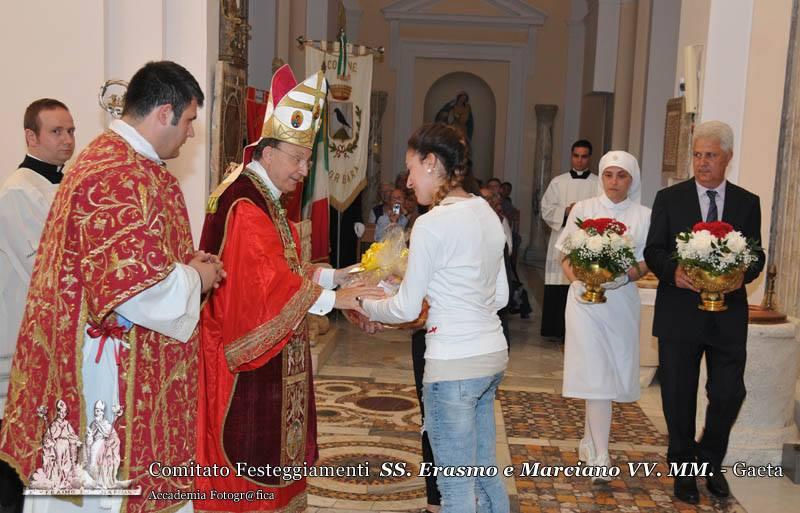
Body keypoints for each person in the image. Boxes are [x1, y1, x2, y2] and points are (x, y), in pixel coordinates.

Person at [0, 60, 223, 513]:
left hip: (124, 353)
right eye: (190, 120)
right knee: (101, 494)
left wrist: (183, 266)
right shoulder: (115, 172)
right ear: (164, 112)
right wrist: (196, 278)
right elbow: (133, 287)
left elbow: (139, 259)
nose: (192, 134)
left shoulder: (126, 162)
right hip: (106, 373)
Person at [196, 64, 383, 513]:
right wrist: (335, 300)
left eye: (306, 159)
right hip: (248, 360)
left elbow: (285, 269)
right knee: (251, 463)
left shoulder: (264, 196)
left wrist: (336, 276)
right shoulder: (245, 202)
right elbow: (264, 287)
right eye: (298, 158)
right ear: (268, 150)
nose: (303, 170)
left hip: (277, 350)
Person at [362, 123, 510, 513]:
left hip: (453, 364)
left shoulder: (430, 224)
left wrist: (366, 303)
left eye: (411, 168)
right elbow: (502, 295)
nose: (409, 181)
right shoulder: (486, 212)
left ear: (432, 163)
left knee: (456, 489)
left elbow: (408, 309)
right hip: (491, 355)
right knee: (485, 470)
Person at [644, 120, 765, 504]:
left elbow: (757, 254)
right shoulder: (670, 198)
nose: (702, 163)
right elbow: (654, 250)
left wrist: (742, 274)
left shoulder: (747, 203)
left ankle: (709, 459)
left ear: (727, 157)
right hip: (680, 313)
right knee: (678, 394)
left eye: (710, 156)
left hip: (727, 317)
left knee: (729, 392)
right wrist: (673, 272)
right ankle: (682, 467)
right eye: (697, 155)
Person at [556, 151, 651, 482]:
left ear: (632, 179)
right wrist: (581, 281)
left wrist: (625, 276)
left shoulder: (644, 216)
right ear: (601, 176)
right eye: (608, 175)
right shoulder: (583, 209)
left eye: (621, 176)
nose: (614, 182)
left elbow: (647, 261)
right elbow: (565, 254)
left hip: (621, 302)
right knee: (595, 372)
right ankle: (601, 455)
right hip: (584, 302)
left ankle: (588, 439)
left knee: (608, 372)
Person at [0, 98, 75, 513]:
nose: (67, 140)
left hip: (49, 341)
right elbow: (43, 274)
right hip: (17, 343)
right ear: (31, 137)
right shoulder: (17, 192)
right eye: (56, 132)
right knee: (13, 453)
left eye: (70, 131)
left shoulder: (61, 186)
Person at [540, 139, 598, 339]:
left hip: (588, 242)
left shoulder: (598, 183)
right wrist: (566, 211)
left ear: (589, 158)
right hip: (562, 238)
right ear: (571, 156)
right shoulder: (558, 181)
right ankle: (556, 329)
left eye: (584, 156)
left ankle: (581, 331)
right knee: (558, 280)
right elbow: (546, 208)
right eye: (576, 156)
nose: (580, 161)